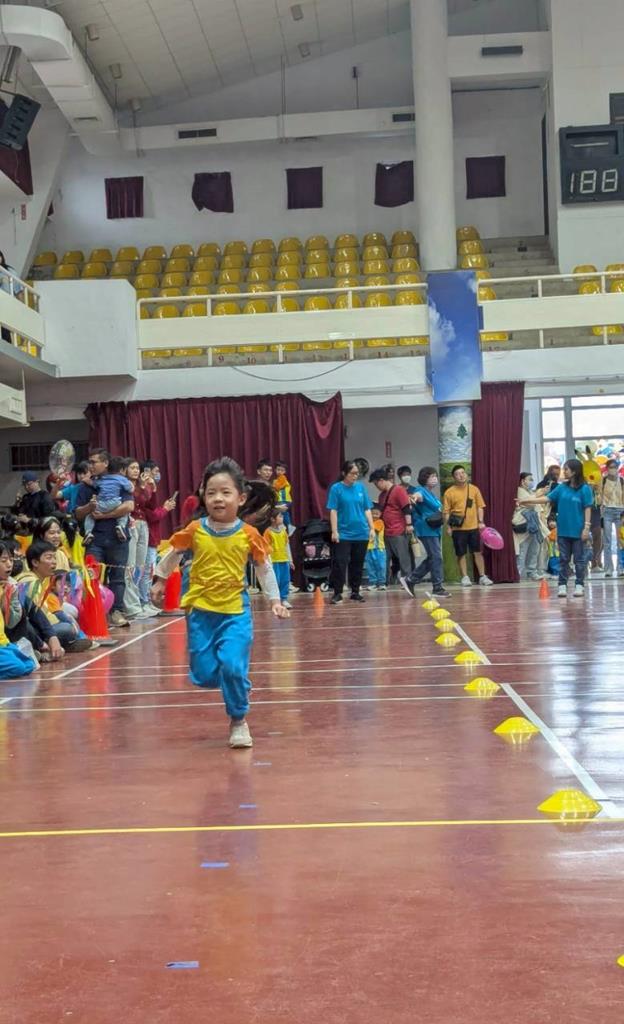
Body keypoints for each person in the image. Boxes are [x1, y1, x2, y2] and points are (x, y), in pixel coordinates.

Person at [151, 457, 289, 750]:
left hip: (235, 611)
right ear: (203, 495)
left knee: (232, 666)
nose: (218, 499)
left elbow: (264, 568)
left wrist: (275, 600)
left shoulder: (248, 534)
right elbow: (174, 553)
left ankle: (238, 719)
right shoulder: (195, 529)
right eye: (212, 492)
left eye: (226, 492)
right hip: (200, 611)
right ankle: (234, 680)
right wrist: (160, 580)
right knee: (203, 675)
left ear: (241, 498)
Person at [74, 449, 134, 628]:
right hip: (94, 539)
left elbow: (129, 506)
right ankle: (94, 613)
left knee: (118, 577)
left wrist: (104, 515)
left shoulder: (119, 481)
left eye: (94, 462)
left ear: (105, 463)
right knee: (91, 576)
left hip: (118, 538)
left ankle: (116, 611)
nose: (90, 465)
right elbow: (77, 513)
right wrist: (89, 507)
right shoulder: (87, 486)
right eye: (90, 462)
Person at [17, 540, 93, 650]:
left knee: (67, 621)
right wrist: (53, 631)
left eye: (54, 558)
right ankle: (51, 645)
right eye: (49, 558)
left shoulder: (41, 580)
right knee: (67, 628)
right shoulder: (31, 583)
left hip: (39, 626)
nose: (54, 562)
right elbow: (36, 616)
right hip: (30, 630)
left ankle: (64, 644)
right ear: (35, 562)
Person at [0, 540, 64, 663]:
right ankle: (37, 648)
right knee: (66, 630)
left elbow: (21, 618)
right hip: (7, 638)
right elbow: (16, 623)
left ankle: (35, 648)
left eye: (11, 560)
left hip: (14, 634)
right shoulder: (29, 581)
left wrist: (51, 635)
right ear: (35, 562)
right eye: (4, 561)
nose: (9, 565)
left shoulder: (11, 584)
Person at [326, 460, 375, 605]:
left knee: (357, 563)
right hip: (344, 533)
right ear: (344, 473)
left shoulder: (361, 488)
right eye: (352, 473)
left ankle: (355, 591)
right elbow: (333, 510)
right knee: (340, 563)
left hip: (361, 532)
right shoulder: (336, 488)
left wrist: (372, 528)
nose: (355, 476)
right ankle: (337, 592)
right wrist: (334, 531)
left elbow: (367, 509)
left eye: (357, 474)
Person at [399, 466, 449, 598]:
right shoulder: (420, 490)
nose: (435, 479)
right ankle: (437, 587)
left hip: (435, 529)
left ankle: (411, 579)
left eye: (435, 476)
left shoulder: (431, 493)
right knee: (436, 557)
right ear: (424, 478)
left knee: (433, 557)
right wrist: (413, 498)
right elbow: (416, 496)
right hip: (426, 529)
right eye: (431, 476)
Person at [546, 459, 593, 598]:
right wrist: (526, 501)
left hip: (578, 531)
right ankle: (562, 586)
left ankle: (579, 585)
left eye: (566, 469)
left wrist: (586, 528)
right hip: (563, 531)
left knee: (579, 560)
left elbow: (588, 508)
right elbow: (547, 499)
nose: (564, 472)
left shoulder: (585, 489)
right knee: (563, 559)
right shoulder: (561, 487)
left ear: (574, 471)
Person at [443, 466, 492, 587]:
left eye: (463, 473)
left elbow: (480, 507)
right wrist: (448, 527)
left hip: (474, 527)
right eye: (458, 474)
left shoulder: (474, 489)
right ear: (454, 477)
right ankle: (465, 577)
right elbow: (446, 512)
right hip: (458, 528)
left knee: (477, 552)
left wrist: (481, 521)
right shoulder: (449, 492)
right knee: (461, 553)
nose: (461, 475)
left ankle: (482, 576)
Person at [139, 460, 177, 613]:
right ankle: (144, 601)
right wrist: (165, 509)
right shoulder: (142, 490)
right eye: (155, 471)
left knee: (148, 571)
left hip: (152, 537)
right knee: (145, 572)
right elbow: (151, 515)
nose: (157, 474)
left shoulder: (151, 488)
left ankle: (146, 601)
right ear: (146, 472)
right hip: (146, 536)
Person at [369, 466, 414, 580]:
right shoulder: (381, 495)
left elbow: (406, 508)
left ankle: (407, 579)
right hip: (385, 531)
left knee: (403, 557)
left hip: (398, 530)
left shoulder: (399, 490)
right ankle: (384, 580)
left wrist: (409, 525)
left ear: (381, 480)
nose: (376, 487)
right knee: (384, 558)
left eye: (376, 484)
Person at [83, 455, 133, 545]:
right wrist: (131, 484)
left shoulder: (103, 479)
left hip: (102, 504)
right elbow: (131, 489)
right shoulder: (122, 479)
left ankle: (88, 532)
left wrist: (86, 480)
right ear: (122, 470)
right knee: (124, 513)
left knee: (90, 516)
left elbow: (93, 483)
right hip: (116, 503)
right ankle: (121, 526)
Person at [513, 472, 547, 580]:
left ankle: (531, 571)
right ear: (523, 481)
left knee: (534, 549)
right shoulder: (519, 491)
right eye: (530, 479)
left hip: (534, 524)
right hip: (524, 523)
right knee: (523, 549)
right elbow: (530, 503)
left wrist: (538, 494)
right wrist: (538, 494)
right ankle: (518, 572)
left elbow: (537, 505)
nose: (532, 481)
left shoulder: (531, 492)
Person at [265, 509, 294, 609]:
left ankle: (284, 599)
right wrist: (268, 561)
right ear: (273, 519)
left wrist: (290, 560)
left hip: (284, 560)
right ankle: (275, 600)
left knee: (285, 580)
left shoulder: (283, 531)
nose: (282, 518)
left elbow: (287, 546)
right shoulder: (268, 532)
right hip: (274, 561)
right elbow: (266, 548)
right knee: (275, 581)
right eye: (280, 516)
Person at [601, 459, 624, 577]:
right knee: (607, 541)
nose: (613, 469)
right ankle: (608, 569)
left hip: (620, 511)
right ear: (607, 468)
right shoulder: (603, 480)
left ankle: (621, 567)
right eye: (611, 467)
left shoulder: (621, 480)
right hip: (607, 511)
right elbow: (599, 496)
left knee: (621, 541)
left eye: (615, 467)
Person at [365, 505, 386, 590]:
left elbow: (374, 529)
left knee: (381, 566)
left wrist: (367, 524)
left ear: (380, 514)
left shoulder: (380, 522)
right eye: (372, 513)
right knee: (370, 567)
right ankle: (373, 582)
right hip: (369, 548)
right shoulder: (367, 523)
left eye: (376, 514)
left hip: (379, 548)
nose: (374, 515)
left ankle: (381, 583)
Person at [273, 460, 293, 529]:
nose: (280, 472)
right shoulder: (277, 480)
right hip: (281, 500)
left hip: (284, 500)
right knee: (284, 513)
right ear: (275, 470)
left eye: (282, 470)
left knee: (281, 512)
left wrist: (272, 486)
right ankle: (286, 526)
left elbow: (277, 487)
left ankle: (288, 526)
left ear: (285, 472)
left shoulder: (283, 478)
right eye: (278, 470)